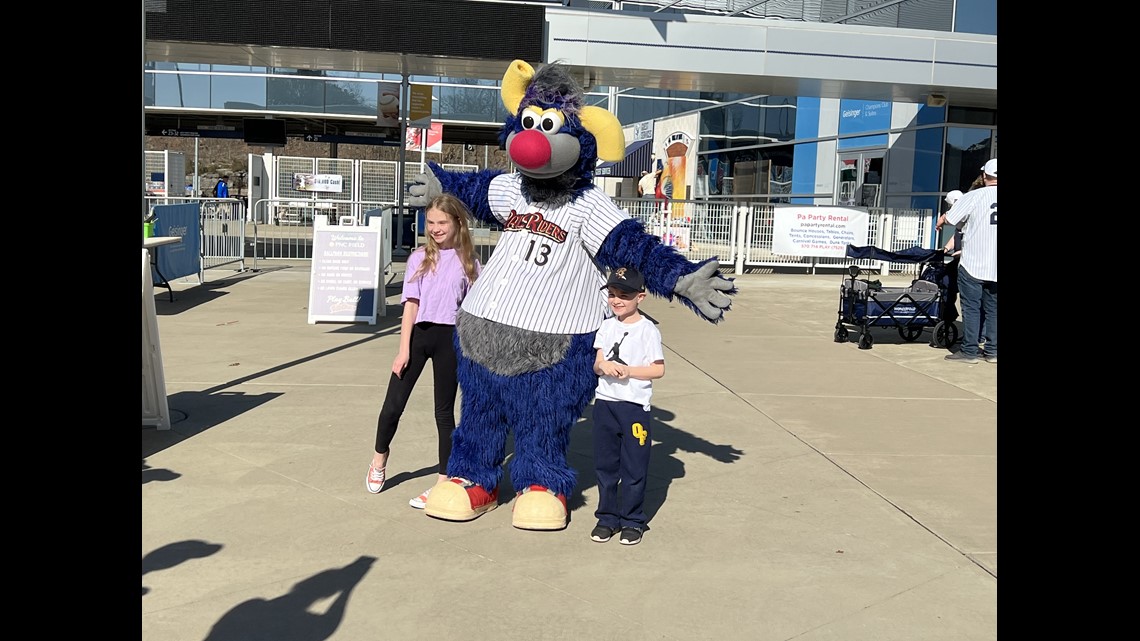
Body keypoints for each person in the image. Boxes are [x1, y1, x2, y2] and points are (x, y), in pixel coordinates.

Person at [366, 193, 482, 507]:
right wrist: (403, 349)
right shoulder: (419, 257)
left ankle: (443, 480)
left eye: (442, 222)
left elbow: (475, 311)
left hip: (451, 340)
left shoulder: (469, 261)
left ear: (458, 222)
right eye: (430, 222)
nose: (435, 228)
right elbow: (411, 306)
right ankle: (379, 459)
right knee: (393, 405)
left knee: (444, 413)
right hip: (419, 336)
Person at [590, 266, 666, 546]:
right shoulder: (607, 326)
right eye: (612, 294)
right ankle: (607, 518)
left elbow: (657, 370)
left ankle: (633, 520)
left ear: (640, 297)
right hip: (606, 404)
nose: (617, 300)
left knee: (634, 467)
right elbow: (598, 363)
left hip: (633, 406)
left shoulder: (647, 330)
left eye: (624, 295)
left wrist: (629, 371)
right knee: (605, 465)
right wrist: (604, 366)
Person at [937, 158, 997, 364]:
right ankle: (993, 351)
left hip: (974, 262)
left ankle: (970, 351)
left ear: (984, 176)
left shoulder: (975, 195)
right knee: (994, 309)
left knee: (971, 307)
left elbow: (952, 218)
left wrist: (943, 217)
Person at [939, 189, 965, 324]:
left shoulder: (966, 215)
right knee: (946, 283)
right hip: (958, 260)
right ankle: (948, 313)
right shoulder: (959, 220)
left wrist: (962, 252)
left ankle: (980, 334)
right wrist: (946, 248)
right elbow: (956, 236)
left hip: (968, 261)